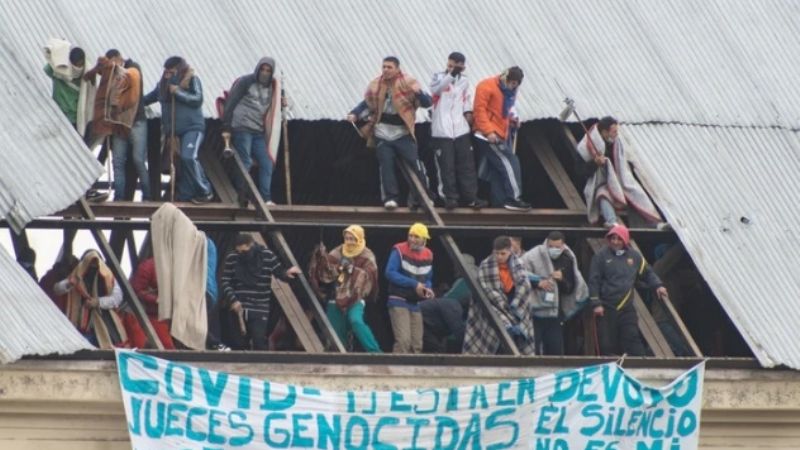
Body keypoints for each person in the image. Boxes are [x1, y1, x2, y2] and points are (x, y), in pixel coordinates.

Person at [347, 56, 433, 210]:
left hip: (403, 132)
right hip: (382, 132)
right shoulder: (376, 85)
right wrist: (355, 114)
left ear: (397, 69)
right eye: (384, 67)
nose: (386, 70)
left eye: (389, 67)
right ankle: (390, 198)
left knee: (415, 164)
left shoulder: (408, 82)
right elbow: (366, 104)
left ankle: (423, 197)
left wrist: (419, 93)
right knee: (386, 165)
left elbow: (427, 102)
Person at [589, 224, 668, 356]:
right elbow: (593, 280)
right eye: (613, 238)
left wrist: (658, 285)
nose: (615, 242)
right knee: (607, 343)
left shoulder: (635, 256)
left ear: (625, 240)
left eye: (619, 239)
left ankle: (640, 367)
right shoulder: (601, 256)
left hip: (626, 307)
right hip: (606, 307)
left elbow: (647, 273)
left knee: (632, 338)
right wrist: (596, 303)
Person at [143, 56, 214, 203]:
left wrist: (178, 92)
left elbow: (198, 99)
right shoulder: (162, 86)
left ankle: (205, 190)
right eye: (166, 72)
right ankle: (186, 194)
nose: (167, 74)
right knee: (179, 163)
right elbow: (146, 99)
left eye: (171, 72)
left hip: (192, 128)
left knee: (189, 157)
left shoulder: (192, 79)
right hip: (175, 132)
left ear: (179, 70)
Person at [576, 116, 667, 228]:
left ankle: (656, 223)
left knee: (637, 195)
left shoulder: (618, 143)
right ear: (604, 132)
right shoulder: (584, 148)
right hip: (601, 184)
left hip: (621, 181)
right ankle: (612, 222)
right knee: (602, 195)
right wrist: (595, 164)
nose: (616, 134)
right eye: (614, 132)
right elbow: (580, 172)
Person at [84, 50, 150, 201]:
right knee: (118, 162)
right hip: (119, 123)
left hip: (136, 122)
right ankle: (118, 197)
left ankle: (148, 196)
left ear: (116, 59)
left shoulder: (133, 68)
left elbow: (128, 81)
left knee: (138, 160)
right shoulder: (114, 73)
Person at [308, 225, 382, 353]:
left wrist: (352, 270)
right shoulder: (338, 251)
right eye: (347, 238)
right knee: (335, 334)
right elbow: (325, 272)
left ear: (359, 239)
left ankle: (375, 352)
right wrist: (325, 261)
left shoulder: (367, 254)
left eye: (353, 239)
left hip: (355, 297)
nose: (350, 242)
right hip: (335, 296)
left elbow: (370, 276)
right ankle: (339, 360)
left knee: (356, 320)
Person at [220, 233, 300, 350]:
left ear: (251, 245)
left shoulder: (266, 255)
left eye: (244, 251)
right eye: (239, 252)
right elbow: (225, 280)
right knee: (238, 344)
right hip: (240, 307)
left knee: (259, 340)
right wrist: (233, 300)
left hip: (259, 306)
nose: (241, 255)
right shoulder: (233, 257)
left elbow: (279, 272)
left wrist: (288, 273)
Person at [222, 57, 283, 206]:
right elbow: (231, 102)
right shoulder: (246, 81)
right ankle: (243, 194)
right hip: (242, 125)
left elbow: (277, 104)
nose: (264, 73)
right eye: (262, 69)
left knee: (267, 162)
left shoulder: (274, 86)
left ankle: (265, 198)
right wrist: (226, 127)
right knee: (245, 161)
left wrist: (283, 102)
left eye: (268, 70)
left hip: (258, 129)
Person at [429, 52, 485, 210]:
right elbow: (436, 90)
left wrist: (468, 113)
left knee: (466, 165)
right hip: (442, 130)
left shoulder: (465, 81)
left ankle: (471, 198)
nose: (451, 68)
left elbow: (466, 99)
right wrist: (451, 74)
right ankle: (449, 198)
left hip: (460, 129)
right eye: (449, 65)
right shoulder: (438, 77)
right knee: (446, 166)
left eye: (455, 66)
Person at [463, 236, 536, 355]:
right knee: (498, 337)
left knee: (517, 343)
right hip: (493, 308)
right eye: (497, 253)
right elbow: (488, 291)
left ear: (510, 251)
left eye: (503, 253)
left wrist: (516, 306)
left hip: (515, 307)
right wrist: (505, 310)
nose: (499, 257)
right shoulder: (486, 266)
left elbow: (524, 285)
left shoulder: (519, 264)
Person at [520, 231, 588, 355]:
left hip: (555, 313)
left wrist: (562, 280)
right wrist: (538, 282)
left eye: (557, 247)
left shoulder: (567, 259)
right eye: (551, 247)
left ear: (563, 246)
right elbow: (519, 273)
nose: (554, 250)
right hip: (535, 312)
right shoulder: (533, 256)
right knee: (533, 348)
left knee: (555, 348)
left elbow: (570, 288)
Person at [472, 67, 530, 211]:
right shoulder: (486, 86)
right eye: (511, 83)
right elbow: (479, 111)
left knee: (497, 169)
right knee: (510, 161)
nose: (512, 86)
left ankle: (499, 201)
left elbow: (506, 111)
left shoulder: (510, 92)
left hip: (500, 133)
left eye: (515, 84)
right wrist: (488, 131)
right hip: (487, 135)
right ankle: (513, 198)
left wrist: (512, 120)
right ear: (505, 77)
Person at [54, 250, 127, 348]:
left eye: (95, 264)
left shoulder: (108, 278)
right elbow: (58, 289)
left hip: (104, 324)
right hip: (79, 323)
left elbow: (117, 298)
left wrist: (97, 302)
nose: (92, 267)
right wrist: (69, 283)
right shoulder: (76, 276)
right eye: (89, 264)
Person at [385, 223, 434, 353]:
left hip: (415, 302)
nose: (412, 239)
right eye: (410, 236)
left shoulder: (428, 254)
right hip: (398, 299)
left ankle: (414, 372)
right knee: (403, 342)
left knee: (417, 344)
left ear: (424, 239)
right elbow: (390, 272)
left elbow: (428, 277)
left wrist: (428, 288)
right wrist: (414, 284)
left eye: (416, 237)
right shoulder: (399, 250)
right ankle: (397, 371)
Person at [127, 256, 176, 349]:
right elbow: (136, 290)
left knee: (168, 348)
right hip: (143, 315)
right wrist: (156, 299)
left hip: (162, 316)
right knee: (140, 347)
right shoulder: (148, 266)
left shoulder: (176, 267)